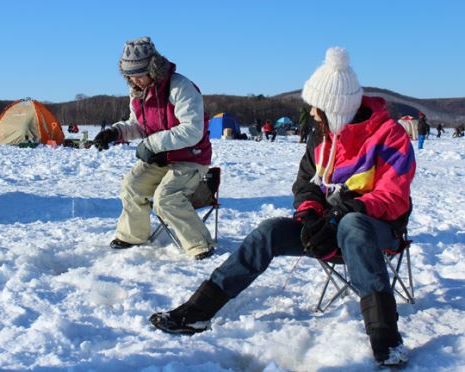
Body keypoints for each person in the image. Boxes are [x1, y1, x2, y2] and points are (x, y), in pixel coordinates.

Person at [149, 47, 416, 368]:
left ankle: (388, 342)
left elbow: (394, 196)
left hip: (377, 231)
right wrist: (308, 213)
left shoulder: (389, 136)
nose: (312, 115)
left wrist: (346, 211)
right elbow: (305, 185)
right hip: (327, 227)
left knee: (353, 225)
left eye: (317, 108)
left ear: (337, 110)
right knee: (270, 230)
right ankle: (196, 313)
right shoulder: (320, 137)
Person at [92, 37, 215, 260]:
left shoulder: (181, 87)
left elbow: (192, 130)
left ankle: (200, 244)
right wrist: (115, 132)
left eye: (139, 74)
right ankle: (133, 235)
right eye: (129, 75)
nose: (133, 80)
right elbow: (138, 125)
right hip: (160, 158)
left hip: (191, 159)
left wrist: (152, 143)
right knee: (132, 185)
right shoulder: (138, 92)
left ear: (153, 69)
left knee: (166, 198)